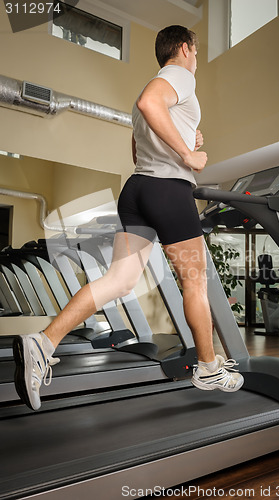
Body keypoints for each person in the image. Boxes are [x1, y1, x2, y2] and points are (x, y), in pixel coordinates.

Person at [13, 25, 244, 411]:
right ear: (186, 49)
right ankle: (208, 367)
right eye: (196, 53)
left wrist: (186, 140)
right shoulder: (180, 76)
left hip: (137, 190)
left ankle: (43, 342)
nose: (196, 60)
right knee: (195, 282)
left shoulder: (159, 80)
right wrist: (188, 157)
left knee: (119, 281)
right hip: (168, 191)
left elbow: (138, 144)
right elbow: (149, 105)